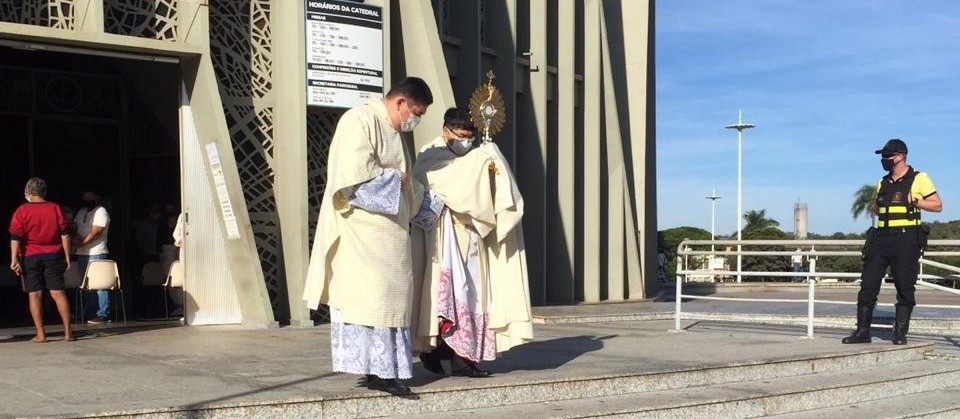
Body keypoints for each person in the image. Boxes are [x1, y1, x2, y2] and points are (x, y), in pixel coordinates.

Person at [303, 77, 435, 396]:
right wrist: (394, 177)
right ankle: (380, 373)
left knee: (389, 302)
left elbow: (406, 190)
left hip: (390, 236)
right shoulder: (359, 120)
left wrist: (436, 205)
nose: (414, 120)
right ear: (400, 102)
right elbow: (352, 179)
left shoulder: (392, 130)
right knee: (374, 302)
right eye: (415, 112)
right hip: (364, 234)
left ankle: (380, 370)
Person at [411, 107, 533, 378]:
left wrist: (490, 172)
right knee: (449, 299)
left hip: (474, 237)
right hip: (444, 242)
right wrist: (480, 162)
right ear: (446, 131)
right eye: (460, 136)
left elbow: (480, 192)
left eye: (470, 138)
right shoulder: (430, 155)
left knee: (475, 297)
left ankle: (465, 359)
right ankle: (439, 352)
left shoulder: (472, 157)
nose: (465, 142)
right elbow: (452, 184)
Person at [843, 139, 941, 345]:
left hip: (906, 238)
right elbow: (876, 208)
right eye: (882, 156)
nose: (884, 160)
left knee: (905, 286)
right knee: (868, 284)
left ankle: (900, 333)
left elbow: (937, 205)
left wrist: (915, 200)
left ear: (900, 156)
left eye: (887, 156)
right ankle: (862, 331)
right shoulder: (883, 181)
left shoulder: (919, 178)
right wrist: (876, 205)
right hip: (881, 238)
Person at [9, 178, 75, 342]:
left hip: (30, 257)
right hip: (53, 255)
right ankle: (68, 333)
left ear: (29, 192)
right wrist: (67, 256)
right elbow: (65, 234)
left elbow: (15, 237)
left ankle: (41, 334)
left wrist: (13, 259)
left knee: (35, 295)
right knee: (58, 293)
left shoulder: (22, 210)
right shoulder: (55, 208)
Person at [73, 190, 111, 324]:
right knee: (87, 285)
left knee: (99, 284)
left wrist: (81, 243)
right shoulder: (82, 211)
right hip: (82, 253)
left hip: (96, 252)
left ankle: (103, 313)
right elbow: (75, 227)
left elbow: (96, 232)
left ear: (97, 198)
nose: (87, 200)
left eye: (90, 197)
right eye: (85, 198)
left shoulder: (101, 211)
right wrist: (76, 239)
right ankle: (90, 311)